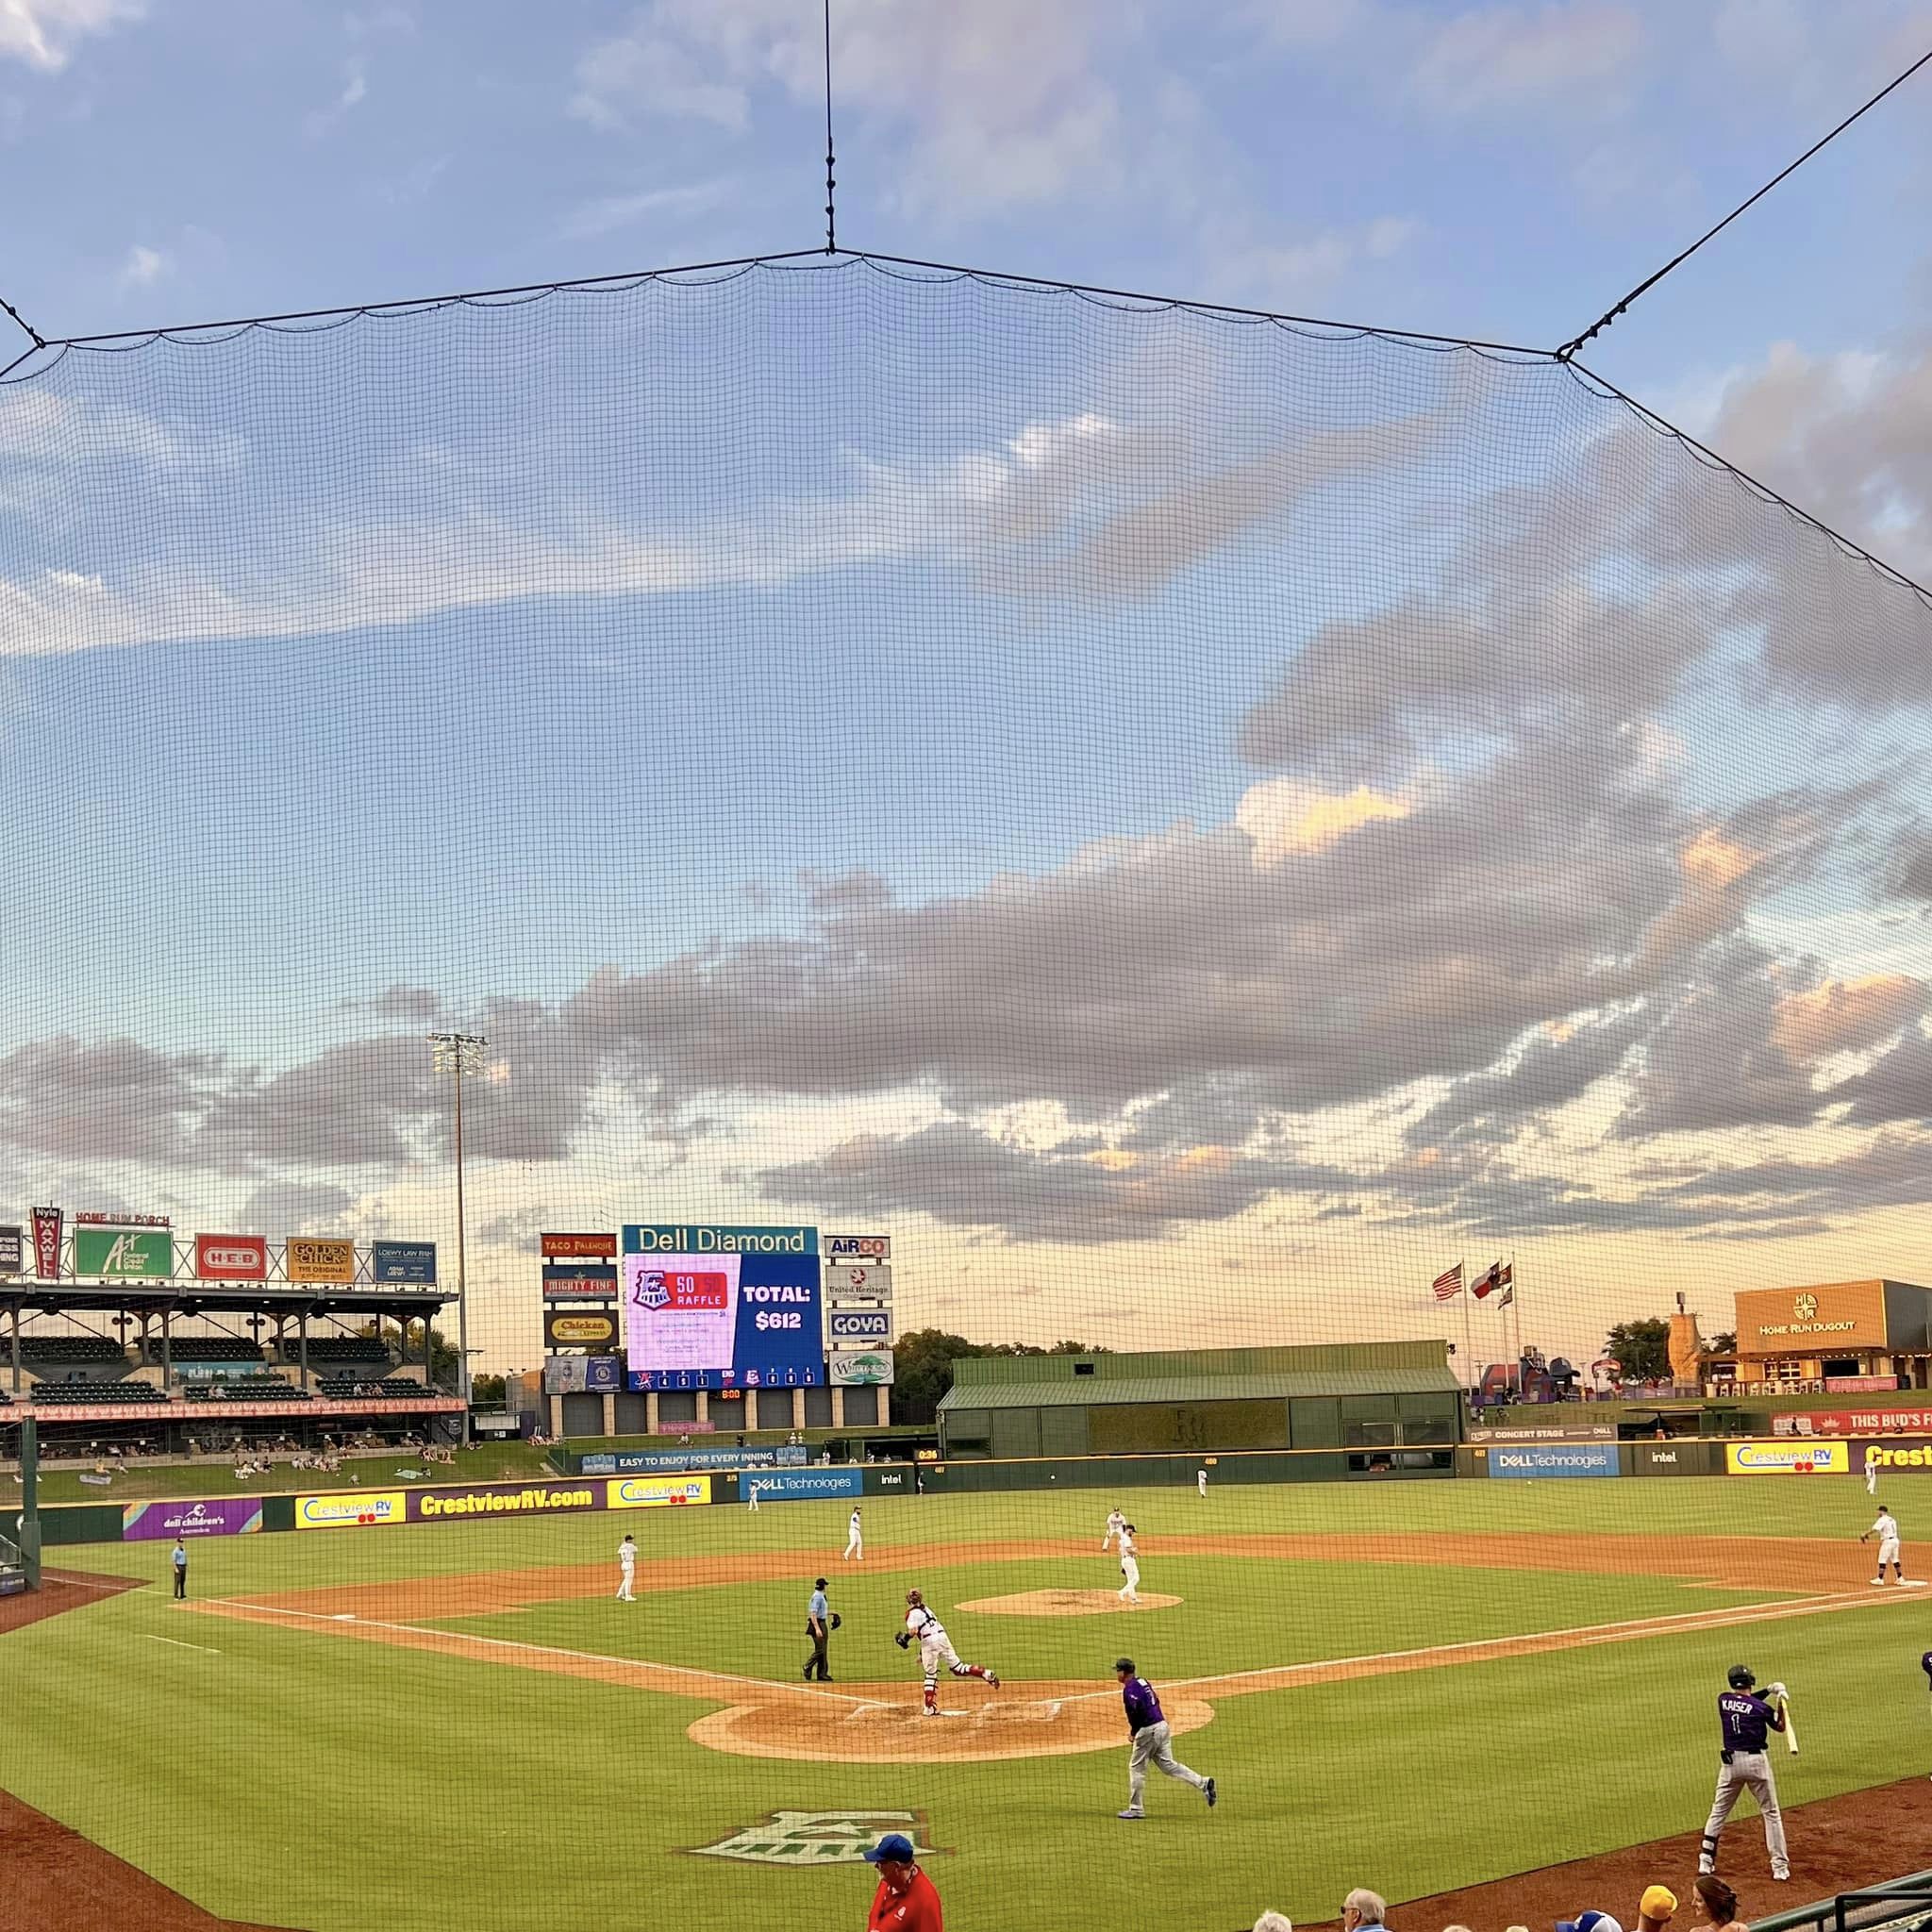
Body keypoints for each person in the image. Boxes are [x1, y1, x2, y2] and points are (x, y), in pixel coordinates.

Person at [1700, 1664, 1790, 1882]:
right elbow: (1780, 1727)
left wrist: (1769, 1691)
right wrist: (1781, 1703)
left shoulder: (1723, 1700)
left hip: (1730, 1765)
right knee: (1771, 1813)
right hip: (1756, 1763)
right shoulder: (1761, 1709)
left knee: (1718, 1811)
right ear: (1751, 1682)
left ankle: (1705, 1861)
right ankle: (1779, 1867)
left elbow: (1746, 1702)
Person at [1113, 1657, 1214, 1819]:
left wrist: (1133, 1732)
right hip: (1162, 1725)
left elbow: (1135, 1712)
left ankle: (1136, 1809)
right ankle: (1203, 1783)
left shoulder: (1130, 1690)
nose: (1116, 1674)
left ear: (1123, 1673)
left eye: (1117, 1671)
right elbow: (1156, 1700)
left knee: (1136, 1767)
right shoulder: (1143, 1682)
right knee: (1168, 1765)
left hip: (1148, 1730)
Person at [897, 1589, 998, 1716]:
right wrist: (922, 1653)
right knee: (958, 1668)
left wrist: (905, 1639)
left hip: (929, 1642)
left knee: (930, 1674)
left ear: (908, 1600)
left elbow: (914, 1631)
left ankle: (929, 1708)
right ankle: (985, 1673)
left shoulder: (911, 1614)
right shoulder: (926, 1609)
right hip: (942, 1637)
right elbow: (926, 1630)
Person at [862, 1832, 941, 1932]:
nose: (876, 1866)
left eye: (881, 1862)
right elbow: (876, 1912)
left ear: (896, 1866)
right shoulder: (888, 1881)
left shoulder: (925, 1901)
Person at [1863, 1504, 1906, 1585]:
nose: (1877, 1513)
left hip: (1888, 1541)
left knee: (1882, 1559)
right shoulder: (1892, 1519)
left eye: (1878, 1511)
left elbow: (1875, 1529)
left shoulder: (1882, 1519)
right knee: (1895, 1559)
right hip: (1895, 1540)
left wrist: (1865, 1534)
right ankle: (1900, 1578)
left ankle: (1880, 1579)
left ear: (1882, 1511)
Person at [805, 1576, 832, 1681]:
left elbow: (821, 1612)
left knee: (822, 1649)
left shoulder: (820, 1595)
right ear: (822, 1586)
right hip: (818, 1624)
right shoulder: (818, 1597)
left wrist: (833, 1613)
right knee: (821, 1649)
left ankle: (821, 1674)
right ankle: (808, 1666)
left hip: (821, 1622)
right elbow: (813, 1613)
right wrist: (817, 1628)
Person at [1117, 1524, 1141, 1606]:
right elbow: (1128, 1549)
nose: (1133, 1533)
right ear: (1129, 1530)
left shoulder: (1122, 1538)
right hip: (1129, 1560)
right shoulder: (1127, 1539)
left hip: (1125, 1559)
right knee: (1136, 1578)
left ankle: (1133, 1599)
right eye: (1132, 1531)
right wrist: (1136, 1552)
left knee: (1130, 1580)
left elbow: (1122, 1549)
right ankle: (1122, 1592)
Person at [616, 1532, 636, 1603]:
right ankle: (628, 1596)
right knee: (629, 1581)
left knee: (626, 1579)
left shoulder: (622, 1546)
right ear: (628, 1540)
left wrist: (624, 1543)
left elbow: (619, 1552)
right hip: (629, 1564)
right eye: (631, 1539)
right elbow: (636, 1550)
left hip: (623, 1564)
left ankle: (620, 1594)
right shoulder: (631, 1545)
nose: (632, 1540)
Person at [171, 1537, 188, 1602]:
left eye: (182, 1542)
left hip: (183, 1567)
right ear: (177, 1543)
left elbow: (184, 1558)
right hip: (178, 1567)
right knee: (177, 1582)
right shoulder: (175, 1551)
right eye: (180, 1542)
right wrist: (176, 1569)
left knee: (183, 1581)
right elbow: (174, 1561)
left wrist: (186, 1564)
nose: (181, 1543)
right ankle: (176, 1595)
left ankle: (182, 1595)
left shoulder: (183, 1549)